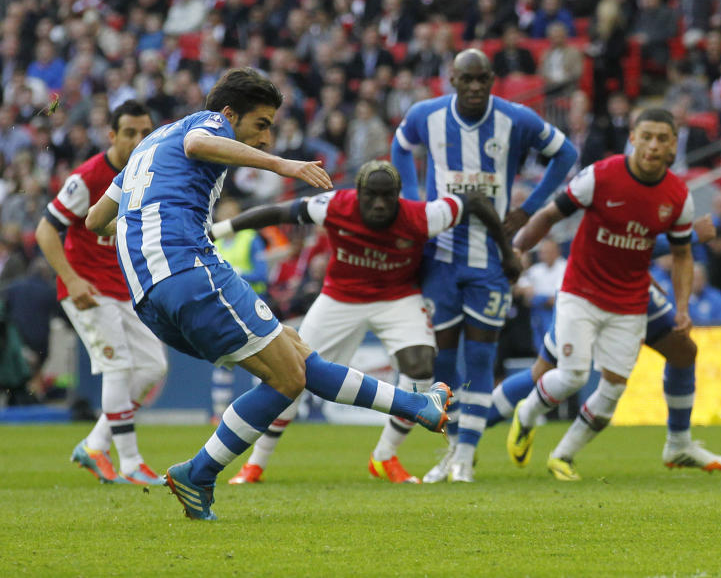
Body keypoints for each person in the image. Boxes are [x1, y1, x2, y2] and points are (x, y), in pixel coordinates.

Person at [85, 68, 452, 520]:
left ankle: (417, 404)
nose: (265, 139)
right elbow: (198, 144)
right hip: (189, 269)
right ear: (228, 113)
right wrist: (284, 165)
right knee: (288, 378)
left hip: (151, 297)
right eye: (260, 125)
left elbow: (95, 220)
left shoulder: (146, 146)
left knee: (295, 356)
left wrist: (138, 231)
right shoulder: (203, 126)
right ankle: (198, 473)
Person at [213, 161, 520, 485]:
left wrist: (507, 250)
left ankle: (385, 456)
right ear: (357, 193)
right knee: (292, 373)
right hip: (340, 299)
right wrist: (219, 231)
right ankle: (256, 464)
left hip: (397, 298)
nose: (379, 203)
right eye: (371, 195)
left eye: (387, 196)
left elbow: (475, 201)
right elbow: (277, 213)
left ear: (399, 196)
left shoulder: (421, 216)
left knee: (420, 367)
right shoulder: (334, 206)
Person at [506, 108, 721, 481]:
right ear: (633, 138)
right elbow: (550, 214)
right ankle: (525, 415)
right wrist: (517, 248)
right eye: (646, 137)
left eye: (662, 138)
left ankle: (563, 456)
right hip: (581, 290)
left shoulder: (677, 197)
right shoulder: (600, 175)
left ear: (674, 145)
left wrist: (683, 308)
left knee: (612, 391)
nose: (653, 146)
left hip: (629, 301)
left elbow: (681, 253)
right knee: (573, 376)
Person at [391, 49, 577, 482]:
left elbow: (565, 153)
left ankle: (464, 456)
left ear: (492, 79)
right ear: (451, 79)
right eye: (466, 79)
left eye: (482, 80)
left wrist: (529, 209)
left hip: (491, 259)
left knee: (480, 360)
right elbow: (401, 145)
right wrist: (416, 204)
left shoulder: (516, 119)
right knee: (442, 365)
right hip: (439, 259)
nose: (475, 87)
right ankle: (454, 450)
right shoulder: (426, 115)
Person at [486, 215, 718, 452]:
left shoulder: (664, 189)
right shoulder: (603, 183)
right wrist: (685, 237)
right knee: (553, 374)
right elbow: (606, 237)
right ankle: (469, 431)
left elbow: (635, 238)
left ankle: (678, 443)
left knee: (680, 351)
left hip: (630, 287)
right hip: (585, 288)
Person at [35, 100, 168, 486]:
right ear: (112, 135)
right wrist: (72, 279)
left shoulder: (150, 173)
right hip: (86, 287)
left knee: (152, 367)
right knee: (118, 366)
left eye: (145, 132)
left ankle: (95, 443)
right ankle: (130, 462)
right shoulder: (89, 176)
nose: (139, 139)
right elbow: (46, 229)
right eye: (130, 132)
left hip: (124, 288)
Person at [210, 196, 271, 423]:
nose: (225, 217)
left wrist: (237, 274)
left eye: (230, 213)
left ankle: (264, 410)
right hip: (224, 308)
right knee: (224, 360)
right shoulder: (213, 243)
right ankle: (219, 413)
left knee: (264, 359)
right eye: (222, 213)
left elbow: (263, 274)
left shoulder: (250, 238)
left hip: (252, 305)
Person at [517, 237, 566, 355]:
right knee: (540, 348)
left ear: (557, 251)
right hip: (538, 316)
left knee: (556, 347)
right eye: (542, 252)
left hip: (558, 315)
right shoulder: (536, 270)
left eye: (548, 251)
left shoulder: (565, 267)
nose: (544, 255)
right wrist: (527, 291)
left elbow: (557, 298)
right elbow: (519, 289)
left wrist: (540, 297)